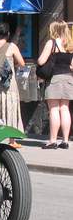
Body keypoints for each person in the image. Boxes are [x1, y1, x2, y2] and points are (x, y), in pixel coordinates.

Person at [37, 21, 73, 149]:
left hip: (55, 79)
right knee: (65, 109)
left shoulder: (51, 43)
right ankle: (65, 140)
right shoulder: (70, 44)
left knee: (54, 109)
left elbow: (41, 60)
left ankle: (52, 140)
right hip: (68, 78)